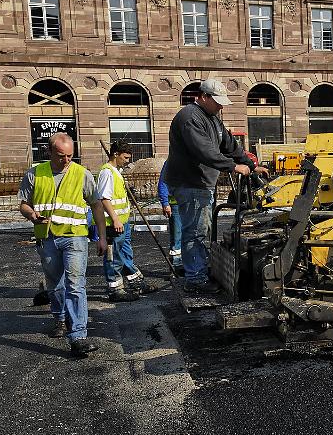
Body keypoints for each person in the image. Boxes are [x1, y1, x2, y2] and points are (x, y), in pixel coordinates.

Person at [165, 78, 268, 294]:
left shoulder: (212, 118)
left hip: (201, 184)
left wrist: (250, 164)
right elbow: (205, 151)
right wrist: (233, 167)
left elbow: (229, 144)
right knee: (195, 232)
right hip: (191, 183)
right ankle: (195, 279)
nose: (221, 106)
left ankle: (200, 271)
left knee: (204, 229)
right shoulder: (190, 118)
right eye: (218, 101)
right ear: (203, 97)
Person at [18, 132, 107, 358]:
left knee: (76, 284)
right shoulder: (35, 174)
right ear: (49, 152)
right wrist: (32, 215)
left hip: (75, 237)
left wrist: (102, 237)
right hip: (47, 237)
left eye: (70, 156)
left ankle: (78, 335)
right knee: (55, 284)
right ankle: (59, 317)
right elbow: (23, 205)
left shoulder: (82, 174)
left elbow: (96, 205)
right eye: (61, 156)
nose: (66, 160)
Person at [96, 140, 152, 301]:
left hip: (122, 222)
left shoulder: (115, 171)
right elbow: (104, 199)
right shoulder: (107, 172)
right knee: (113, 257)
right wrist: (115, 219)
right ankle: (115, 290)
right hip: (113, 225)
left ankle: (136, 283)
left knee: (125, 254)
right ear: (116, 154)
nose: (127, 161)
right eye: (125, 157)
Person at [157, 160, 182, 269]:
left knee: (188, 235)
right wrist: (165, 203)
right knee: (177, 235)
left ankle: (185, 263)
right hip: (176, 204)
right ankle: (176, 264)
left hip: (188, 205)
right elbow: (163, 182)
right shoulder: (171, 162)